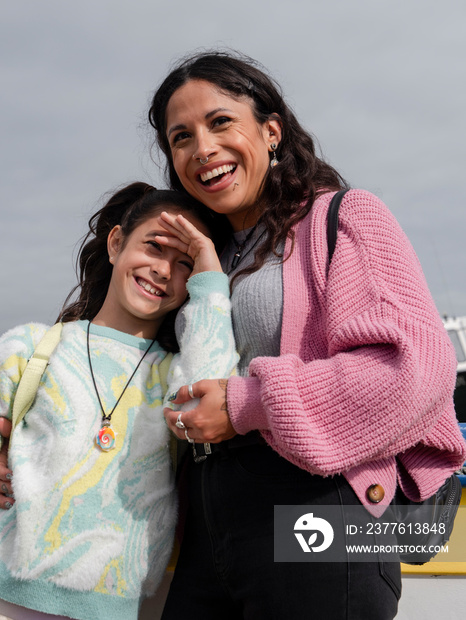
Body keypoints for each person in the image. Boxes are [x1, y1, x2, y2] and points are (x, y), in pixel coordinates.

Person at [148, 51, 466, 620]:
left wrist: (247, 401)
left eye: (221, 122)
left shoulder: (343, 218)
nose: (202, 149)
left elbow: (412, 371)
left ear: (270, 132)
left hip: (317, 504)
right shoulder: (202, 255)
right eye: (181, 137)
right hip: (207, 514)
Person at [0, 182, 238, 620]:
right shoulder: (30, 347)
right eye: (154, 247)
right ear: (115, 243)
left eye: (186, 263)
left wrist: (211, 283)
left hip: (120, 608)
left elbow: (213, 400)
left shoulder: (176, 375)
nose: (165, 270)